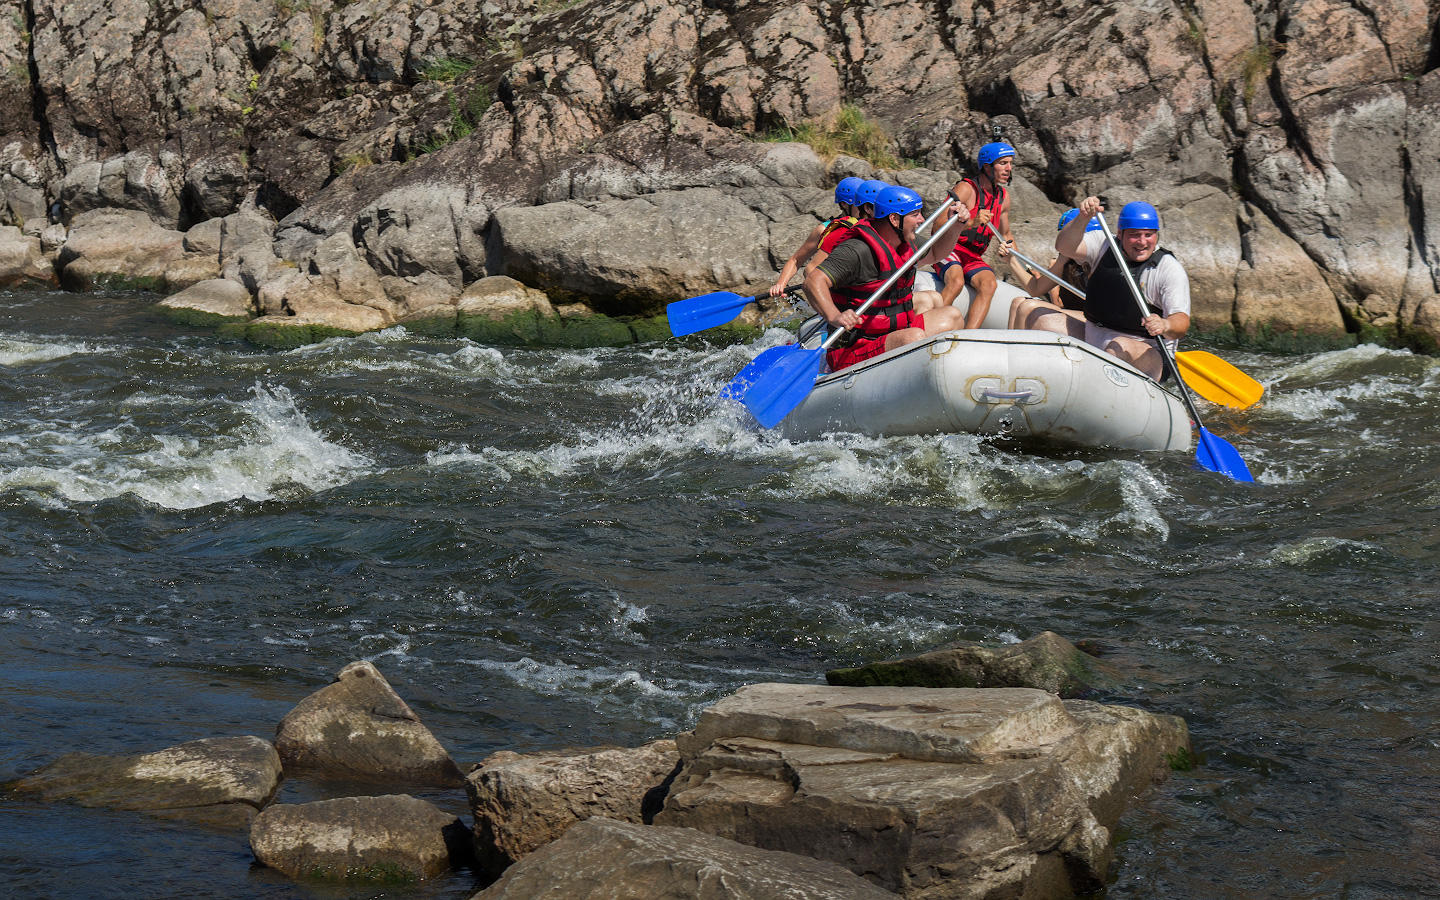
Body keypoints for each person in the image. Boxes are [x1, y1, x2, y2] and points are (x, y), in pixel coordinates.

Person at [1013, 197, 1190, 381]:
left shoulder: (1168, 269)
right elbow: (1064, 247)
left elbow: (1182, 322)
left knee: (1117, 346)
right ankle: (1029, 379)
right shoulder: (1104, 244)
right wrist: (1083, 218)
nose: (1142, 242)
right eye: (1134, 235)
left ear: (1156, 235)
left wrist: (1165, 325)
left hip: (1148, 353)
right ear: (1120, 234)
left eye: (1148, 235)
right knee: (1039, 319)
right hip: (1094, 338)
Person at [803, 185, 965, 373]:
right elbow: (813, 281)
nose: (921, 220)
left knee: (952, 315)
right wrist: (834, 315)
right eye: (915, 214)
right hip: (855, 349)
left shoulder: (907, 242)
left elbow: (937, 253)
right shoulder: (857, 250)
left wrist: (957, 226)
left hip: (893, 333)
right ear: (895, 219)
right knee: (913, 338)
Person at [931, 141, 1016, 329]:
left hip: (972, 255)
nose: (1008, 168)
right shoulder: (966, 188)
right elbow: (937, 225)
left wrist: (1023, 267)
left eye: (1010, 163)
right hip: (949, 247)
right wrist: (972, 222)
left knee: (989, 284)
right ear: (987, 166)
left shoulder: (1003, 197)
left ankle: (969, 335)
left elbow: (1006, 234)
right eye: (1003, 163)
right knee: (956, 281)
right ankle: (930, 326)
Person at [768, 177, 866, 297]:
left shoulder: (872, 226)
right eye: (859, 204)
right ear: (845, 204)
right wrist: (781, 285)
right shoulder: (825, 230)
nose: (865, 209)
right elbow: (796, 260)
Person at [1005, 208, 1100, 328]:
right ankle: (1012, 346)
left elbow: (1057, 302)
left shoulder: (1098, 260)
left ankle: (1021, 346)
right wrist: (1011, 260)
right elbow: (1035, 289)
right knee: (1017, 302)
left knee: (1028, 307)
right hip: (1073, 313)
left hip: (1094, 320)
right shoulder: (1065, 260)